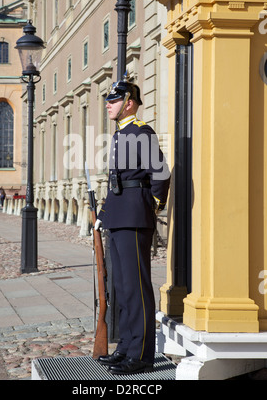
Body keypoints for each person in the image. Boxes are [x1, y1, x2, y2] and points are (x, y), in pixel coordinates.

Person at [96, 74, 170, 375]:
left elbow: (160, 174)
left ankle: (140, 354)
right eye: (108, 101)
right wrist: (104, 213)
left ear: (129, 104)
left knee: (136, 288)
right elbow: (117, 180)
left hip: (134, 214)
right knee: (122, 286)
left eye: (114, 101)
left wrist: (151, 205)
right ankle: (125, 347)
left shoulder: (141, 131)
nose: (109, 106)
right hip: (118, 214)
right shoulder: (120, 134)